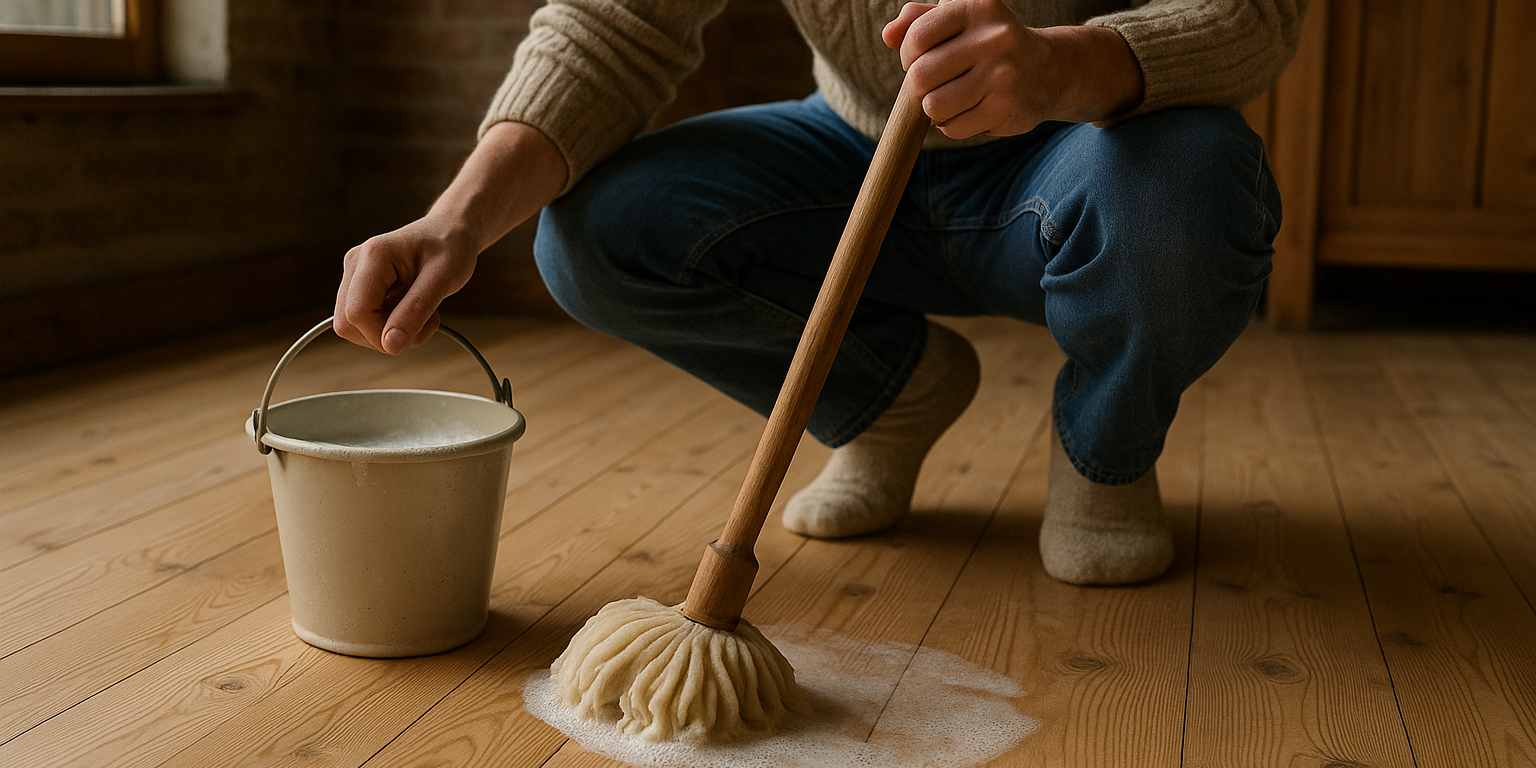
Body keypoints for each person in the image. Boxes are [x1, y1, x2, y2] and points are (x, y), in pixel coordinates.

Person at [333, 0, 1304, 585]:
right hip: (853, 145)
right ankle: (885, 392)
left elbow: (1252, 16)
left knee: (1197, 186)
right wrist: (453, 221)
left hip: (1089, 149)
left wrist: (1058, 64)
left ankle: (1107, 449)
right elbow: (612, 25)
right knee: (598, 231)